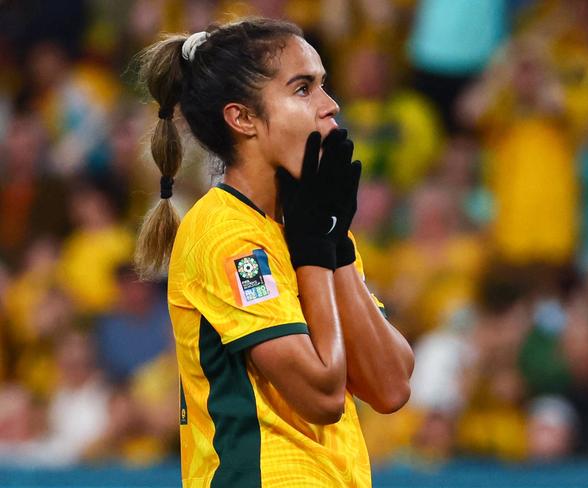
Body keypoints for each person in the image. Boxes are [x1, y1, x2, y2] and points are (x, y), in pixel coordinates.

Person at [134, 18, 414, 487]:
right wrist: (313, 251)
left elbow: (391, 386)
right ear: (242, 117)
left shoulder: (310, 223)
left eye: (324, 85)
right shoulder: (224, 234)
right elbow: (322, 394)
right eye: (303, 89)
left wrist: (334, 244)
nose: (331, 105)